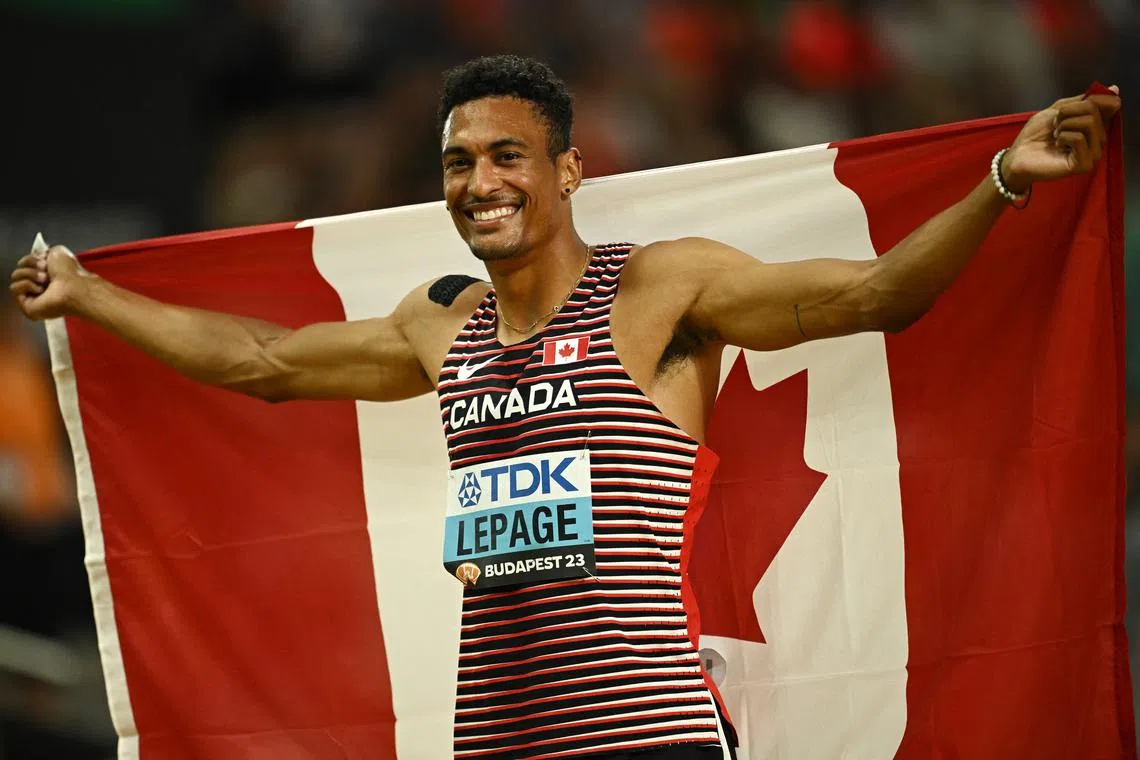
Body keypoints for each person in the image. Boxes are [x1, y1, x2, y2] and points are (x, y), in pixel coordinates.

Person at [8, 55, 1120, 759]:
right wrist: (91, 294)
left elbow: (876, 295)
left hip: (644, 733)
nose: (478, 182)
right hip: (495, 739)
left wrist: (1002, 182)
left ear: (570, 171)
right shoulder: (439, 324)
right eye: (457, 163)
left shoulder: (659, 289)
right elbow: (264, 359)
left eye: (507, 156)